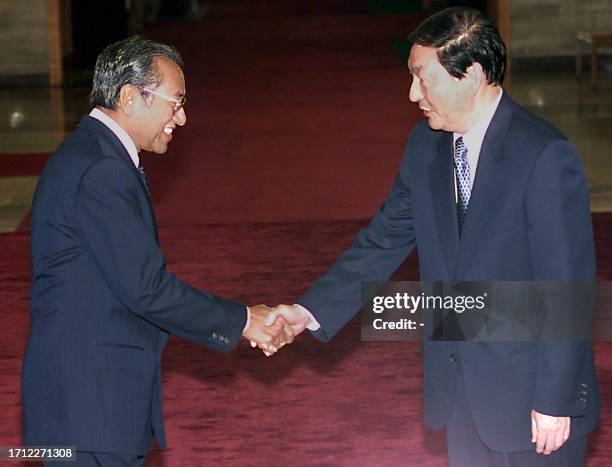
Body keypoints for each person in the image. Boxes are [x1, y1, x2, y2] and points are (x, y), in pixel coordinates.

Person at [271, 7, 600, 466]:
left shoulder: (543, 155)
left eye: (423, 79)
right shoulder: (424, 147)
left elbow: (568, 287)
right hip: (459, 392)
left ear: (472, 75)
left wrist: (554, 399)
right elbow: (383, 240)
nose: (412, 94)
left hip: (533, 402)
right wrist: (307, 312)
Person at [22, 36, 291, 466]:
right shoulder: (102, 168)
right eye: (175, 102)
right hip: (91, 404)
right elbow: (145, 289)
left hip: (84, 402)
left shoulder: (91, 152)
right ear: (131, 97)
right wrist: (244, 320)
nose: (181, 118)